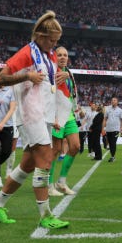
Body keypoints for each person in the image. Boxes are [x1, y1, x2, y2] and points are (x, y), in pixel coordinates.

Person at [0, 11, 70, 229]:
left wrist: (62, 76)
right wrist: (27, 76)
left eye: (56, 41)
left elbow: (47, 85)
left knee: (27, 166)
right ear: (41, 36)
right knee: (45, 161)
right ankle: (45, 215)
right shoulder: (27, 52)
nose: (54, 45)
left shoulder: (48, 54)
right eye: (52, 40)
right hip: (30, 115)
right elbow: (0, 78)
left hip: (44, 114)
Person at [48, 46, 81, 197]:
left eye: (65, 55)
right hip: (56, 116)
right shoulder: (51, 72)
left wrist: (76, 107)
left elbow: (71, 94)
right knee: (55, 150)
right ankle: (49, 185)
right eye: (59, 55)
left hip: (69, 116)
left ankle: (61, 182)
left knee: (75, 146)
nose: (62, 57)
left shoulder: (69, 73)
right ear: (55, 57)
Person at [103, 97, 122, 162]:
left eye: (114, 100)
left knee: (113, 142)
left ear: (117, 102)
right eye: (112, 100)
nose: (113, 101)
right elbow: (105, 119)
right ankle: (112, 155)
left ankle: (113, 156)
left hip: (116, 129)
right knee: (110, 143)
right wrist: (104, 128)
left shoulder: (120, 110)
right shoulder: (107, 109)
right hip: (108, 129)